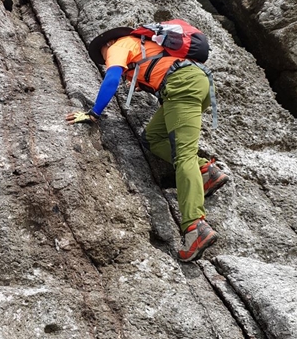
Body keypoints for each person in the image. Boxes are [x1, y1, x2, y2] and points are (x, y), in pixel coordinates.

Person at [66, 27, 228, 262]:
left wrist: (94, 113)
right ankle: (206, 171)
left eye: (103, 53)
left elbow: (111, 78)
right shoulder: (148, 45)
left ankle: (195, 227)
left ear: (109, 42)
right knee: (152, 138)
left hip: (182, 86)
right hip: (190, 83)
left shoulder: (120, 45)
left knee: (184, 156)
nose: (104, 59)